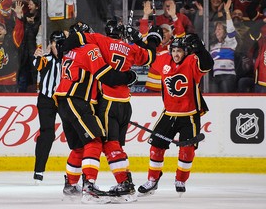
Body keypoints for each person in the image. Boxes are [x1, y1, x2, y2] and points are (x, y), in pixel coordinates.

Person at [67, 20, 162, 203]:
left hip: (108, 102)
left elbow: (78, 38)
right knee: (115, 145)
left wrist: (64, 46)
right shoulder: (130, 48)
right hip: (126, 104)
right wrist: (150, 39)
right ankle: (124, 183)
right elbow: (150, 57)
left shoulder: (100, 41)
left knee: (106, 144)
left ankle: (99, 186)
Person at [54, 31, 138, 204]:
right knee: (95, 140)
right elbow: (107, 76)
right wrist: (129, 76)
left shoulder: (69, 51)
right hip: (77, 100)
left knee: (79, 147)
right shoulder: (90, 49)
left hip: (64, 101)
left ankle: (71, 185)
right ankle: (89, 187)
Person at [137, 33, 214, 197]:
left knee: (187, 150)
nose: (176, 54)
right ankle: (152, 180)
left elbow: (208, 64)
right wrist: (138, 39)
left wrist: (200, 50)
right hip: (169, 114)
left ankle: (180, 180)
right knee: (156, 147)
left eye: (179, 51)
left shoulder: (192, 61)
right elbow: (146, 56)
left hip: (189, 115)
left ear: (186, 51)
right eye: (174, 51)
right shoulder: (164, 60)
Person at [32, 30, 66, 183]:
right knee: (47, 134)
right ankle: (38, 170)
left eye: (61, 44)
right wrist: (38, 55)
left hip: (65, 100)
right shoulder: (46, 58)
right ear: (51, 45)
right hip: (47, 100)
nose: (58, 47)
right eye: (56, 44)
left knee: (75, 133)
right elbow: (38, 64)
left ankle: (79, 171)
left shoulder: (70, 59)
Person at [209, 0, 238, 93]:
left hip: (228, 76)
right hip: (215, 76)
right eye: (216, 29)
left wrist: (227, 11)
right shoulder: (212, 46)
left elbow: (231, 29)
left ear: (224, 31)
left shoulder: (230, 42)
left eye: (220, 29)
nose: (217, 31)